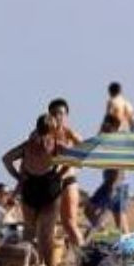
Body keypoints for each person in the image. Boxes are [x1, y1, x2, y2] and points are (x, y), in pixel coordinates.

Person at [2, 113, 78, 266]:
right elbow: (75, 158)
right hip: (49, 189)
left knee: (29, 233)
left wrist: (18, 177)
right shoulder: (56, 144)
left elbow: (7, 159)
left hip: (30, 188)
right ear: (53, 129)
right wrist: (60, 174)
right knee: (46, 235)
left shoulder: (28, 144)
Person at [47, 98, 85, 255]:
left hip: (67, 181)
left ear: (66, 115)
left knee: (69, 222)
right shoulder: (46, 134)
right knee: (50, 222)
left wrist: (69, 158)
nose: (58, 117)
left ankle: (84, 257)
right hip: (51, 181)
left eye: (61, 113)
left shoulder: (69, 133)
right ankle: (51, 258)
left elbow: (84, 150)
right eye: (55, 113)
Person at [85, 114, 132, 234]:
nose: (102, 126)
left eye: (105, 123)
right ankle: (108, 236)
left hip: (114, 185)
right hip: (113, 184)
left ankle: (104, 235)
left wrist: (113, 187)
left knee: (92, 212)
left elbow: (119, 168)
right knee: (121, 224)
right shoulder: (108, 141)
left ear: (112, 127)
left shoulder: (116, 143)